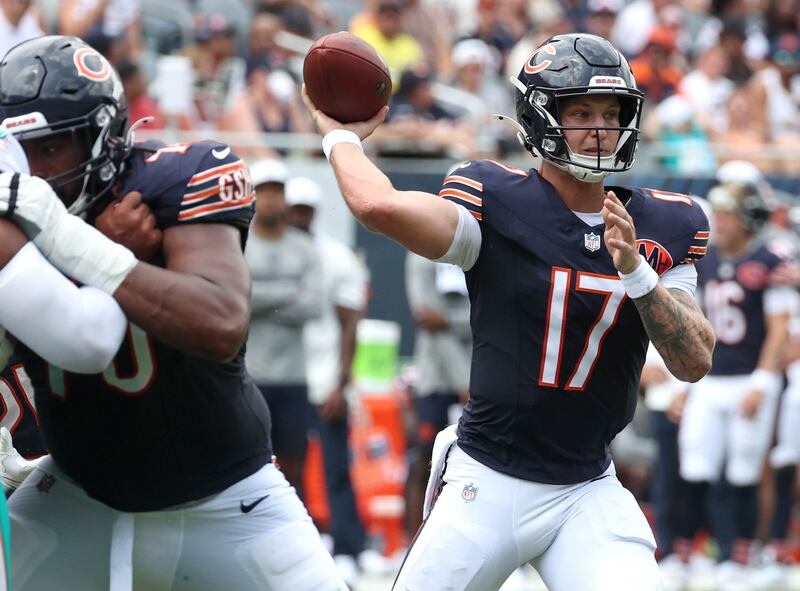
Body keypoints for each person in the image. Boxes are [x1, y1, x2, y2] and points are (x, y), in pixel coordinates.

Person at [303, 32, 714, 590]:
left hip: (586, 487)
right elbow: (380, 206)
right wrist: (339, 140)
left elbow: (693, 359)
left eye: (611, 113)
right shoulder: (495, 199)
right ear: (541, 119)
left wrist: (637, 273)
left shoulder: (664, 225)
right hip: (489, 478)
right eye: (582, 112)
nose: (600, 128)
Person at [0, 35, 345, 591]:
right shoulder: (11, 217)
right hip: (78, 494)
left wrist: (75, 243)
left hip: (230, 497)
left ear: (103, 136)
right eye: (23, 151)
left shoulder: (173, 178)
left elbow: (219, 322)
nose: (36, 171)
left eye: (53, 147)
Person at [676, 181, 795, 586]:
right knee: (696, 467)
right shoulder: (703, 260)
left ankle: (740, 559)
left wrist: (763, 381)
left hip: (748, 378)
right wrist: (685, 384)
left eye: (726, 215)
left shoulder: (769, 260)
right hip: (709, 379)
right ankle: (700, 552)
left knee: (744, 473)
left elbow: (780, 331)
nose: (718, 223)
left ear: (746, 219)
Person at [285, 176, 389, 583]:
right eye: (294, 209)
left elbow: (351, 325)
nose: (299, 216)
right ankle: (307, 543)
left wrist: (341, 383)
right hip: (282, 379)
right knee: (282, 470)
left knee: (335, 466)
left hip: (324, 379)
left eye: (305, 210)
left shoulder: (335, 257)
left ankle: (349, 546)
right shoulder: (262, 252)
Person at [244, 159, 322, 499]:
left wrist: (259, 297)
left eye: (277, 191)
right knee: (247, 461)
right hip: (249, 374)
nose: (271, 199)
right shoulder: (239, 241)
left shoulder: (304, 248)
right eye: (264, 191)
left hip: (293, 376)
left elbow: (314, 305)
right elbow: (235, 299)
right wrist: (287, 294)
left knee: (293, 463)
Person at [403, 250, 471, 536]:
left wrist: (448, 320)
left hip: (473, 379)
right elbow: (427, 318)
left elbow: (488, 315)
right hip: (439, 381)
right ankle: (413, 542)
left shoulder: (476, 251)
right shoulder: (420, 255)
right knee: (424, 460)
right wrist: (463, 381)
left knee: (474, 466)